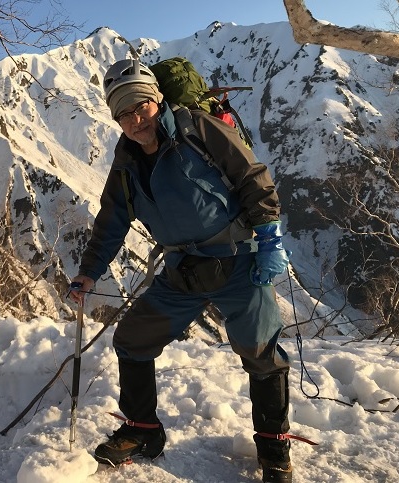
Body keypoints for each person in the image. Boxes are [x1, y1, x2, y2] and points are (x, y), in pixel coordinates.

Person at [69, 58, 294, 483]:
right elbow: (111, 219)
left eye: (141, 107)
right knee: (133, 340)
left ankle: (274, 450)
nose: (136, 120)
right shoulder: (126, 162)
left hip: (238, 260)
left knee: (261, 354)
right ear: (115, 118)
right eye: (124, 113)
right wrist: (89, 271)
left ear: (157, 101)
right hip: (183, 270)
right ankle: (143, 430)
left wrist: (268, 237)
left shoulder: (197, 130)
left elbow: (252, 176)